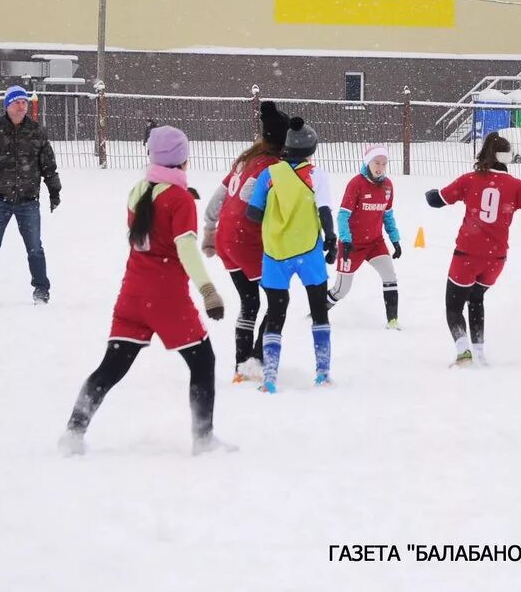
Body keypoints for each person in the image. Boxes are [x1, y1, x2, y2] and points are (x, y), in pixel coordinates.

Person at [58, 126, 230, 457]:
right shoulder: (180, 199)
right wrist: (208, 290)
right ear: (183, 159)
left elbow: (150, 221)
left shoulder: (137, 190)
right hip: (166, 298)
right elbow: (186, 248)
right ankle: (203, 438)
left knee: (111, 368)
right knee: (203, 361)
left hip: (132, 295)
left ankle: (73, 432)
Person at [426, 132, 521, 366]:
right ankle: (480, 353)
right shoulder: (516, 186)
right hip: (496, 259)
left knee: (454, 306)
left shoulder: (470, 179)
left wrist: (430, 193)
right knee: (476, 299)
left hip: (467, 255)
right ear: (508, 157)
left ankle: (463, 351)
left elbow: (437, 201)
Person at [245, 116, 338, 393]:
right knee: (319, 311)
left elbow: (253, 213)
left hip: (275, 252)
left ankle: (269, 378)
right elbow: (324, 210)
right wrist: (331, 239)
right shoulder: (316, 175)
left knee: (275, 314)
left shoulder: (269, 175)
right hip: (309, 251)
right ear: (311, 149)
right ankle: (322, 374)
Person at [201, 101, 290, 382]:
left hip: (225, 238)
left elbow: (219, 196)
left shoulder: (245, 160)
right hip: (246, 240)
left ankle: (241, 365)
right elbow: (259, 204)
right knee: (278, 299)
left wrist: (210, 229)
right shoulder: (275, 167)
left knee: (249, 302)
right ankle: (256, 359)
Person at [0, 85, 61, 305]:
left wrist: (54, 190)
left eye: (24, 102)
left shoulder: (37, 132)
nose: (21, 106)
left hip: (28, 201)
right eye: (17, 103)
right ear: (7, 106)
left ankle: (41, 290)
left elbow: (48, 165)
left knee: (35, 248)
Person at [327, 144, 402, 329]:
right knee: (341, 290)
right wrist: (346, 240)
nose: (380, 167)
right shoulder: (356, 184)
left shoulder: (388, 185)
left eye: (384, 163)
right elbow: (343, 215)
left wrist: (395, 239)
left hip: (375, 242)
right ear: (368, 162)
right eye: (376, 162)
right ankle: (317, 312)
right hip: (352, 244)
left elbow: (387, 214)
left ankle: (392, 321)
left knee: (389, 276)